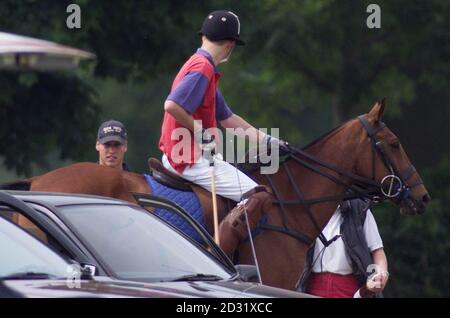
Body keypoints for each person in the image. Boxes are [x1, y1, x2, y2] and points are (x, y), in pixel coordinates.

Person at [158, 10, 286, 254]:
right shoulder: (203, 68)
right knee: (258, 196)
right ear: (230, 45)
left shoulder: (202, 67)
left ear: (204, 37)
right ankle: (216, 259)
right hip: (189, 158)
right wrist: (199, 130)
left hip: (188, 154)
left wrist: (269, 140)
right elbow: (172, 105)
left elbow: (228, 120)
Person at [297, 198, 389, 298]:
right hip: (311, 290)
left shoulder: (360, 209)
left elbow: (377, 251)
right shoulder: (308, 210)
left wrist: (381, 275)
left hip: (351, 291)